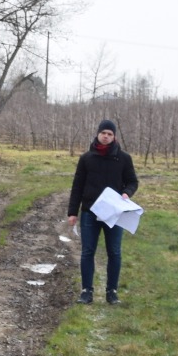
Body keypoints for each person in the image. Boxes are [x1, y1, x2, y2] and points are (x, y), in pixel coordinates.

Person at [66, 119, 138, 304]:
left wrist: (126, 193)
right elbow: (78, 185)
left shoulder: (123, 158)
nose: (106, 136)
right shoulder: (86, 158)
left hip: (114, 214)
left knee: (114, 252)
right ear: (98, 134)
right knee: (87, 251)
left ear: (114, 137)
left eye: (110, 134)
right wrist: (73, 212)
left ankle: (111, 292)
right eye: (103, 133)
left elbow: (132, 181)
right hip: (90, 211)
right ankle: (86, 291)